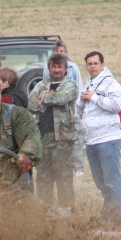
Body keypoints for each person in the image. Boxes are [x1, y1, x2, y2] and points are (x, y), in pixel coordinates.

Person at [76, 51, 121, 224]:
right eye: (89, 64)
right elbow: (79, 109)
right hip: (91, 140)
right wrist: (83, 100)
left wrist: (94, 97)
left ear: (102, 65)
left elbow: (117, 105)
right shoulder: (88, 84)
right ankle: (107, 213)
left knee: (112, 180)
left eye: (95, 63)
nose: (92, 66)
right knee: (100, 181)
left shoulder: (111, 83)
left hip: (108, 139)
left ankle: (115, 217)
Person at [28, 53, 78, 209]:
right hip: (42, 138)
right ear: (49, 68)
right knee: (43, 177)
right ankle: (46, 211)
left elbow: (61, 98)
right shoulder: (41, 84)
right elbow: (30, 103)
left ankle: (66, 211)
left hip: (62, 139)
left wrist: (43, 98)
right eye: (53, 67)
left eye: (59, 67)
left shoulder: (71, 84)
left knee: (63, 176)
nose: (56, 70)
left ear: (65, 69)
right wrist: (49, 96)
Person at [42, 41, 85, 175]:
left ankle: (78, 168)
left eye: (61, 51)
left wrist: (77, 109)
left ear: (66, 53)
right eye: (57, 51)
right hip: (53, 114)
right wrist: (51, 97)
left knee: (75, 141)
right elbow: (44, 89)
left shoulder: (73, 67)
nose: (59, 53)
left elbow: (77, 88)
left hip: (71, 111)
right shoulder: (46, 69)